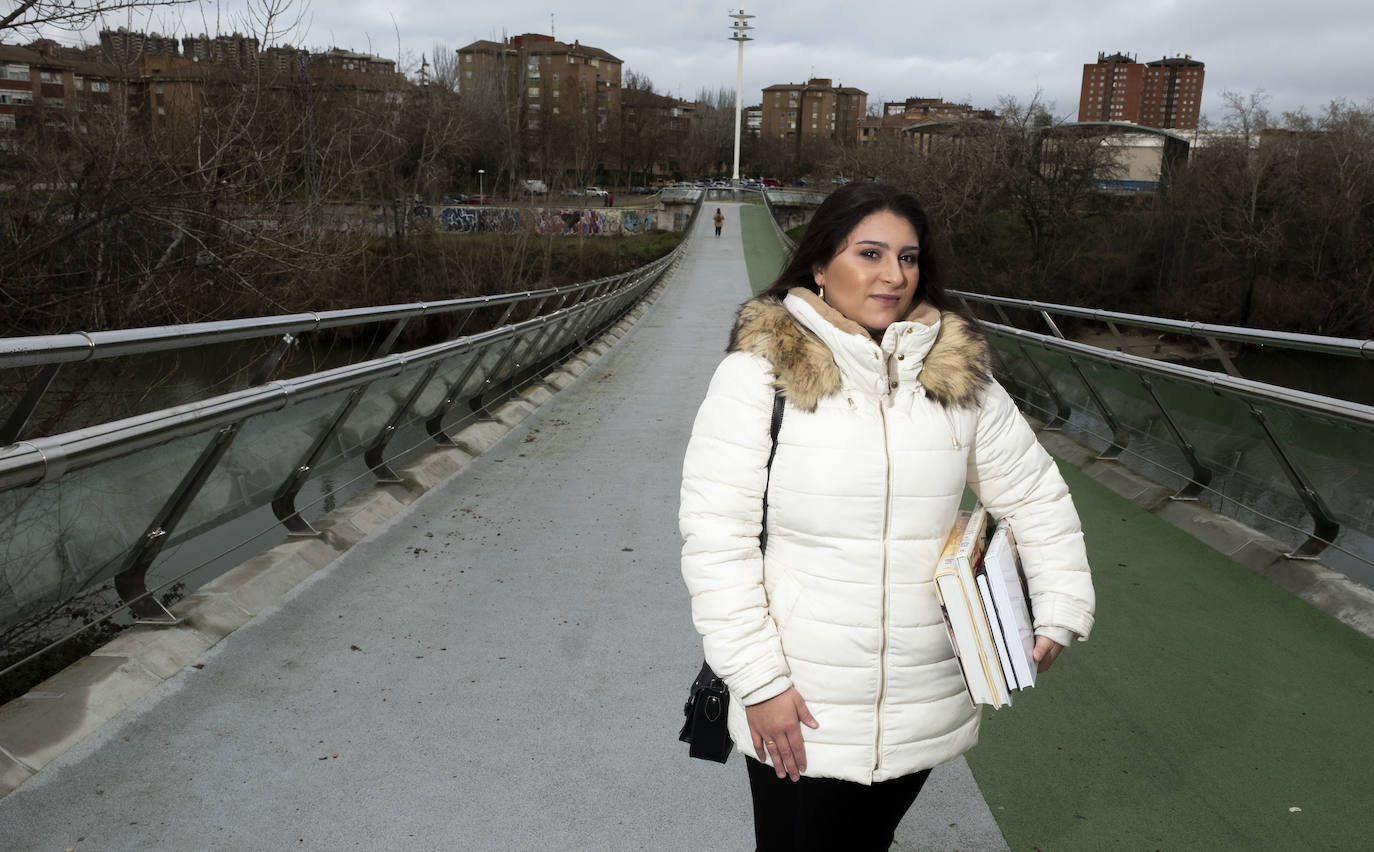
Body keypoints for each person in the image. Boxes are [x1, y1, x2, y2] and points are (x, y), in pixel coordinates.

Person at [679, 182, 1095, 851]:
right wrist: (759, 681)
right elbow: (716, 540)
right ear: (820, 264)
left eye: (907, 257)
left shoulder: (958, 379)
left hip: (922, 695)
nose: (893, 275)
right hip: (802, 697)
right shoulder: (760, 376)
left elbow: (1034, 496)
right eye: (869, 253)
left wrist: (1060, 605)